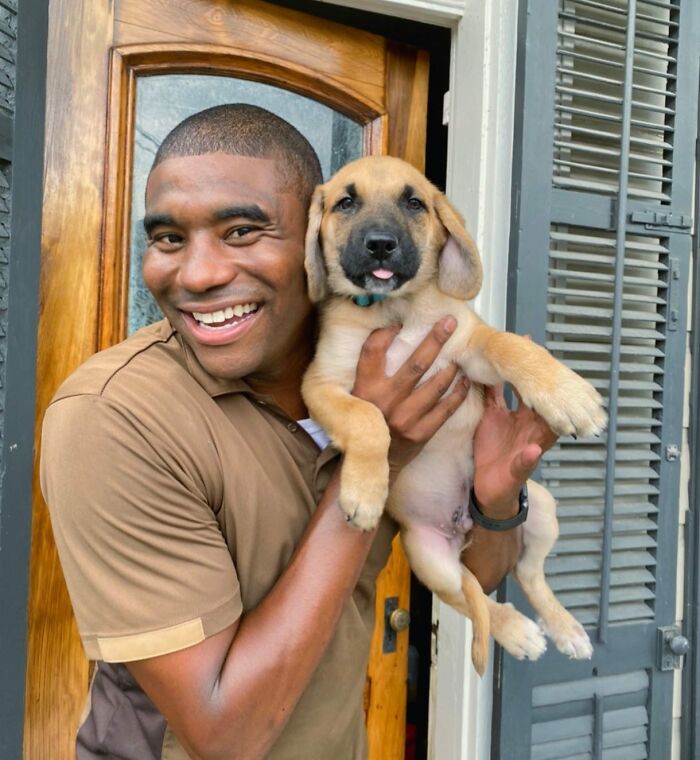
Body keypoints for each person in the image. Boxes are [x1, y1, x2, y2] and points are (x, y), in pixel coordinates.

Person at [40, 104, 556, 760]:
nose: (196, 275)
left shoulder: (384, 370)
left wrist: (495, 496)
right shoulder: (114, 418)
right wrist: (377, 456)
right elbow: (225, 734)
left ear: (316, 242)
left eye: (242, 231)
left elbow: (479, 572)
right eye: (169, 238)